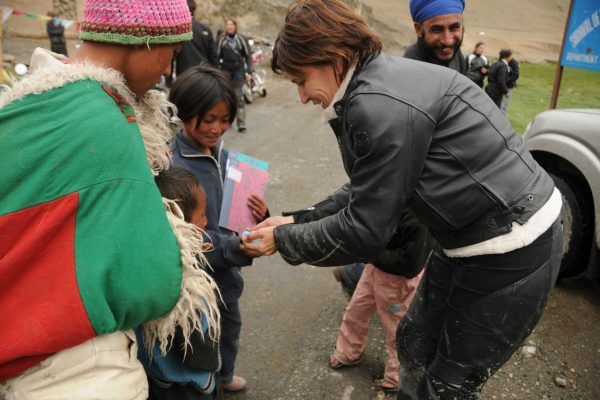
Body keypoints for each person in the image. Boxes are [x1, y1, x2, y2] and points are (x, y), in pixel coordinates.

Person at [243, 1, 563, 399]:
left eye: (300, 80)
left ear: (330, 57)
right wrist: (295, 220)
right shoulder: (374, 82)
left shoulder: (376, 104)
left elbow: (365, 230)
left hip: (515, 243)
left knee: (448, 383)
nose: (303, 95)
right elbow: (371, 188)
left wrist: (283, 242)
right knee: (414, 340)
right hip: (467, 237)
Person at [0, 0, 219, 398]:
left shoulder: (32, 101)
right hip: (81, 370)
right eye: (170, 56)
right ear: (145, 42)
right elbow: (149, 276)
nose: (167, 72)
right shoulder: (108, 119)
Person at [168, 64, 270, 392]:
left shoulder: (221, 155)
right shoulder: (175, 167)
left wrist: (260, 216)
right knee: (197, 336)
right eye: (209, 119)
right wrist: (233, 247)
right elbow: (186, 237)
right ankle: (203, 384)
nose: (217, 128)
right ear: (185, 113)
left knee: (230, 326)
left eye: (224, 120)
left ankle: (224, 377)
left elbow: (236, 211)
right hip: (196, 280)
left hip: (226, 275)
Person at [137, 166, 221, 400]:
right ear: (181, 222)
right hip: (188, 386)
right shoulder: (187, 286)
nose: (206, 222)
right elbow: (202, 356)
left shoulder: (143, 261)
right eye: (202, 215)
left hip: (156, 377)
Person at [327, 205, 430, 393]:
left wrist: (371, 254)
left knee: (397, 330)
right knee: (356, 311)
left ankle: (397, 378)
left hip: (398, 282)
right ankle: (348, 352)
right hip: (374, 270)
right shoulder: (387, 200)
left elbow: (411, 264)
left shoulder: (418, 219)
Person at [403, 0, 466, 74]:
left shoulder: (456, 54)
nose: (447, 41)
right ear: (418, 29)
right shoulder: (409, 70)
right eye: (437, 30)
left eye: (454, 28)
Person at [216, 18, 253, 132]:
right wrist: (217, 71)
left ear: (235, 26)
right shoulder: (221, 40)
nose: (229, 27)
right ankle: (226, 121)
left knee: (238, 96)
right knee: (225, 97)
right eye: (227, 24)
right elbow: (216, 57)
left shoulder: (241, 39)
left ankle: (241, 122)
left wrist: (249, 72)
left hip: (238, 71)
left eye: (231, 24)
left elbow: (248, 56)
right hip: (226, 71)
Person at [172, 0, 219, 77]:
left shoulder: (178, 30)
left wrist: (169, 80)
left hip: (184, 74)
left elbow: (171, 56)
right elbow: (213, 55)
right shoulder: (205, 29)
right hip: (204, 72)